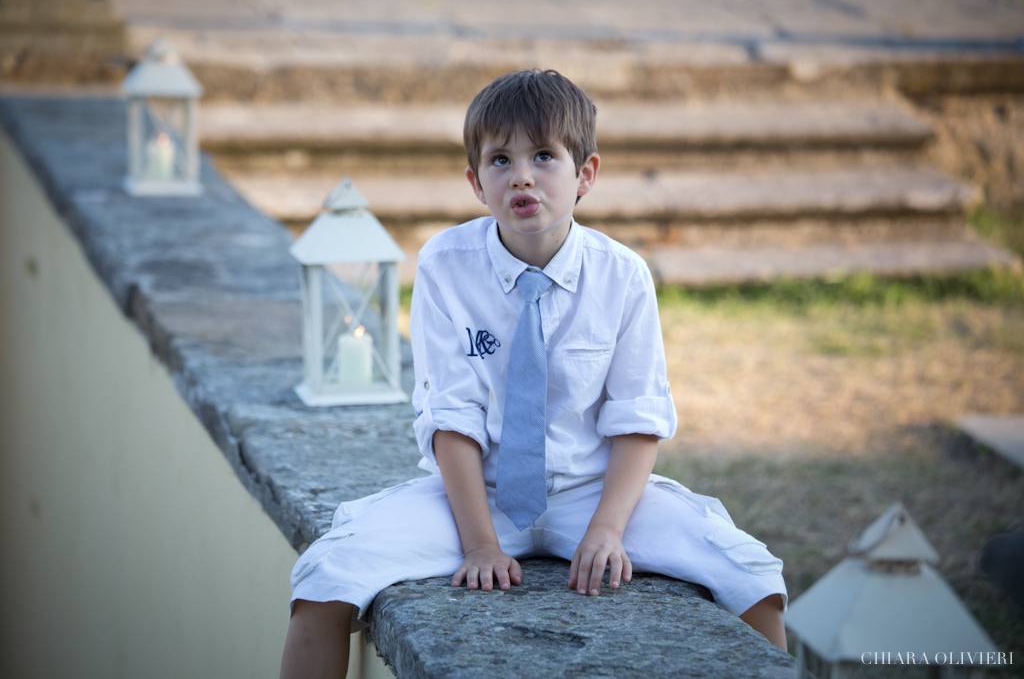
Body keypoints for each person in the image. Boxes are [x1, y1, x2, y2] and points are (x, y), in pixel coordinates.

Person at [280, 69, 788, 679]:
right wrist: (479, 545)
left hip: (593, 493)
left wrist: (607, 530)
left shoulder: (622, 278)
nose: (521, 175)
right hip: (478, 497)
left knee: (751, 575)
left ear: (586, 175)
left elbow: (636, 418)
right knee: (324, 575)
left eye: (544, 155)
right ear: (476, 183)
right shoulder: (446, 265)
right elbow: (453, 417)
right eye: (500, 159)